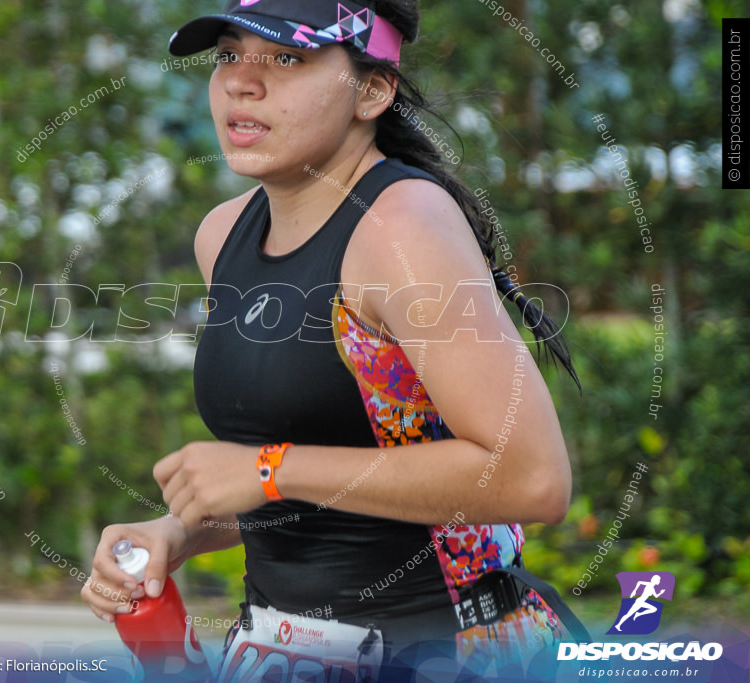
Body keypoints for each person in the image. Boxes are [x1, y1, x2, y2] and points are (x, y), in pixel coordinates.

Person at [82, 0, 586, 679]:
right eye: (229, 54)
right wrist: (178, 532)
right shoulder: (223, 235)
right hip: (275, 651)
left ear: (371, 90)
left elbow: (531, 477)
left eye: (286, 59)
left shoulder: (400, 226)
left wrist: (268, 467)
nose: (241, 82)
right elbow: (322, 481)